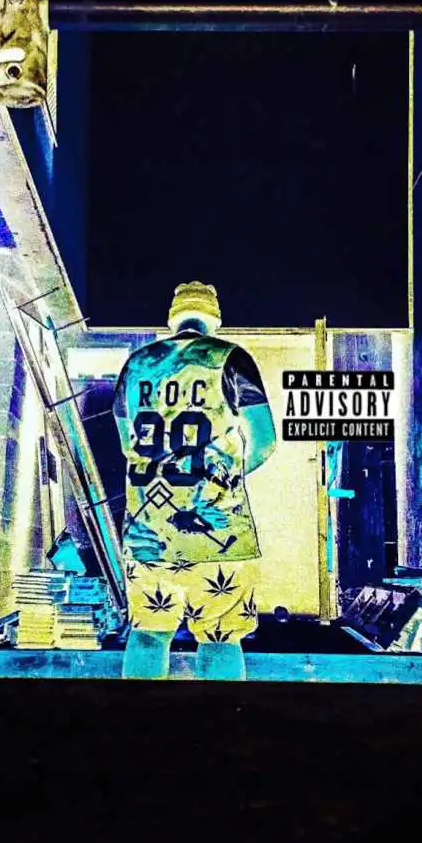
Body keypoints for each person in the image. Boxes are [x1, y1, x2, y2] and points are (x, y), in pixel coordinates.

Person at [112, 282, 276, 681]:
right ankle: (221, 718)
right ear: (214, 319)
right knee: (221, 638)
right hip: (217, 530)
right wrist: (225, 479)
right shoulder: (230, 358)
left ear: (173, 319)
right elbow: (266, 441)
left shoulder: (136, 365)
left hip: (148, 530)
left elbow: (126, 444)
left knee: (148, 633)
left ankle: (135, 717)